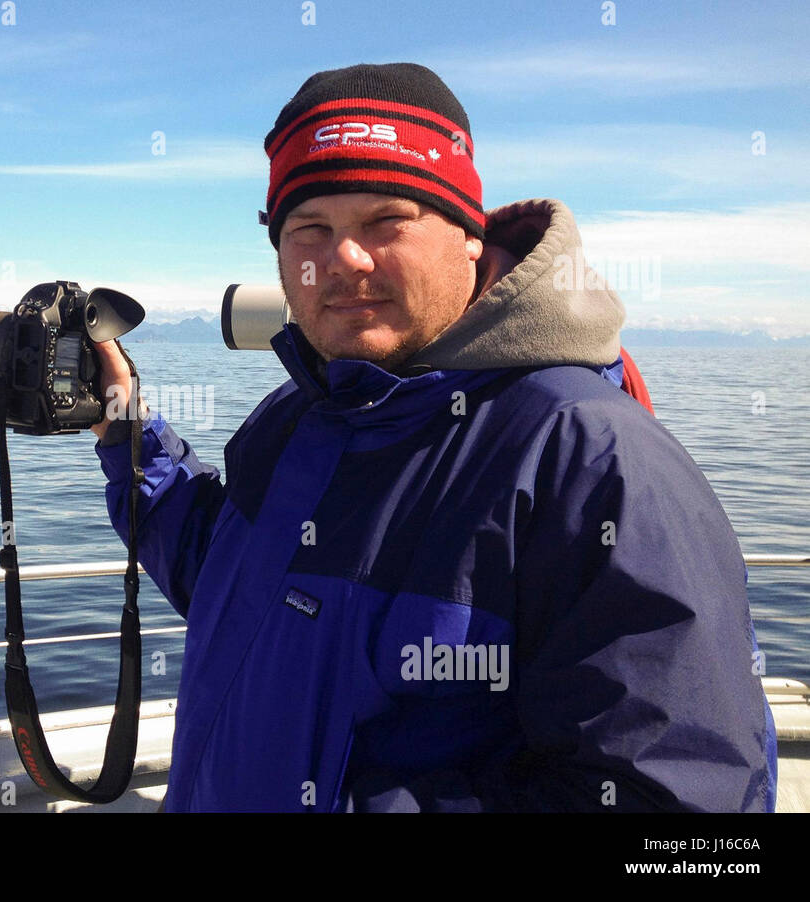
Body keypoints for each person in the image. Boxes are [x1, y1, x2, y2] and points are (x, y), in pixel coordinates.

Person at [90, 63, 777, 812]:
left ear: (469, 237)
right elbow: (226, 583)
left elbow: (679, 804)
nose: (344, 258)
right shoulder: (299, 416)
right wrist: (128, 435)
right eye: (309, 228)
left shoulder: (591, 459)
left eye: (386, 219)